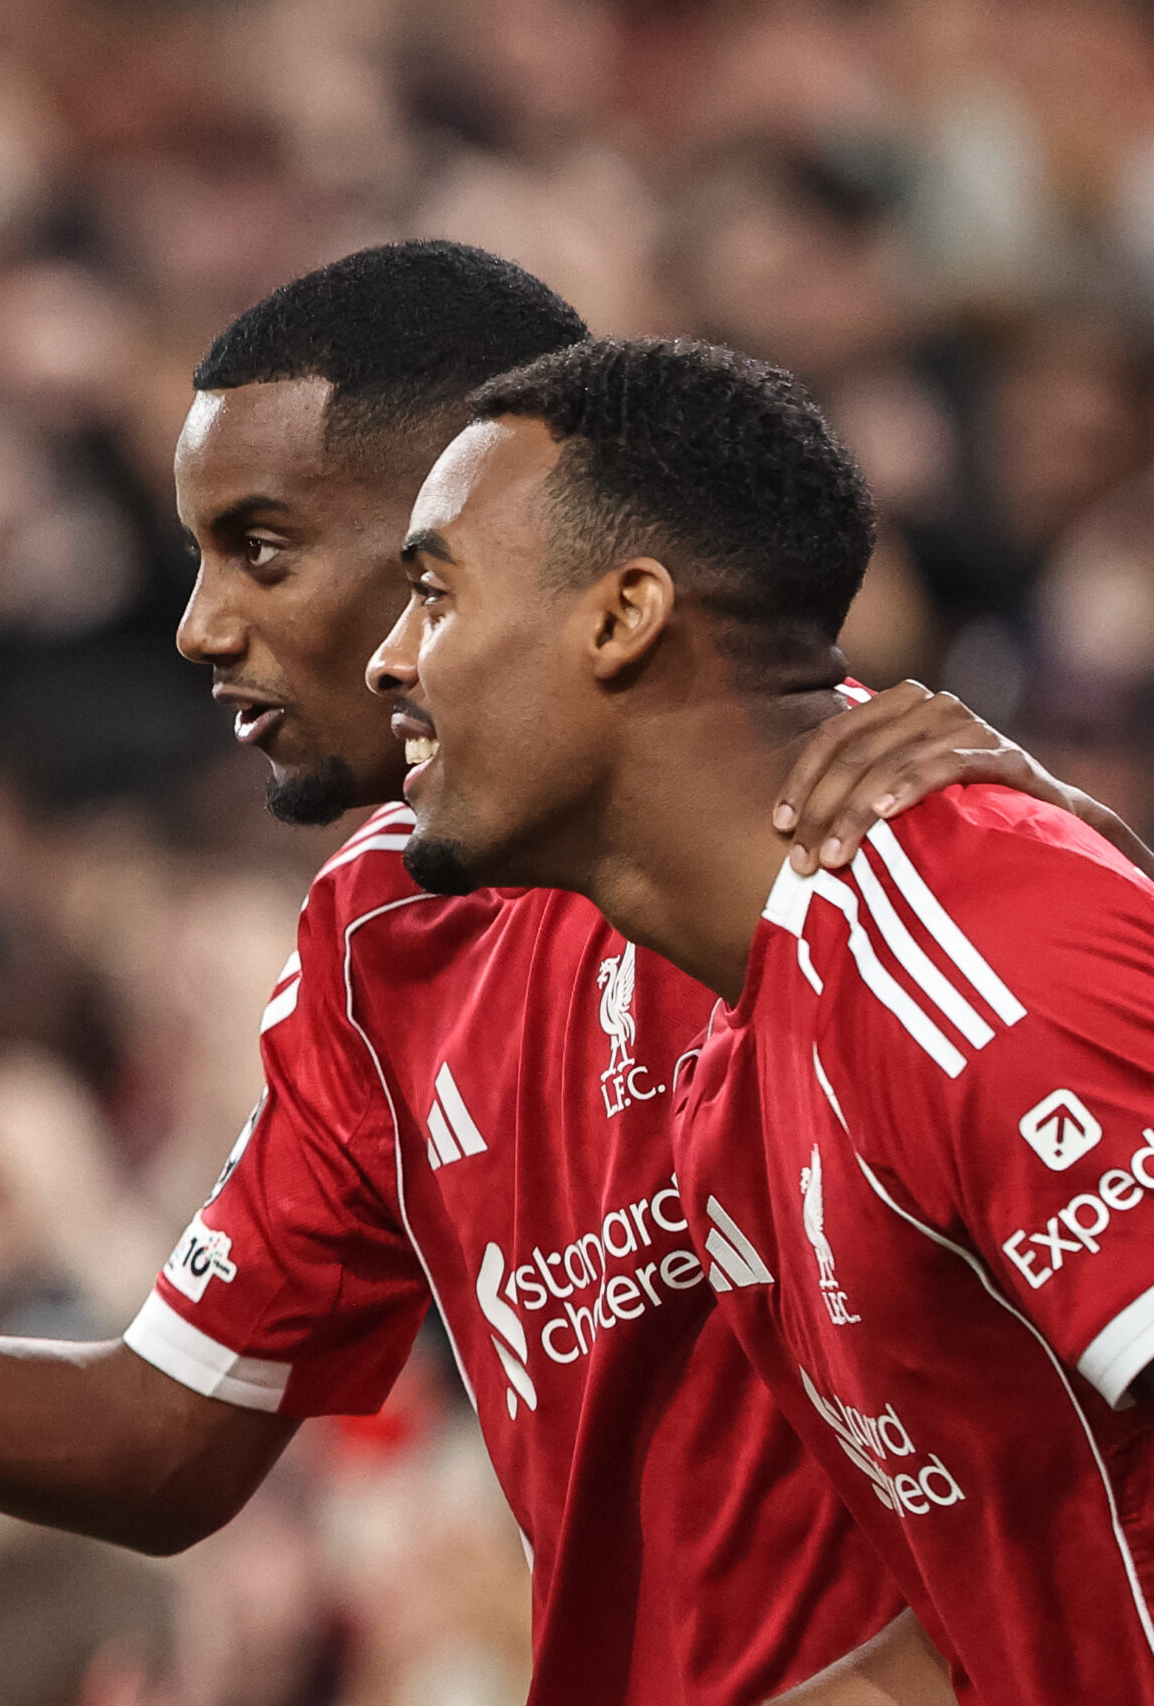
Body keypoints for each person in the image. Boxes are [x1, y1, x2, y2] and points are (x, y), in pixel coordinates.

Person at [0, 243, 1141, 1702]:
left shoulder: (895, 901)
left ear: (503, 521)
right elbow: (168, 1432)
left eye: (266, 547)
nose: (203, 624)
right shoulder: (389, 940)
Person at [367, 332, 1154, 1702]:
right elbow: (986, 1614)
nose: (389, 662)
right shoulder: (735, 1085)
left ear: (623, 616)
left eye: (434, 593)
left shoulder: (968, 940)